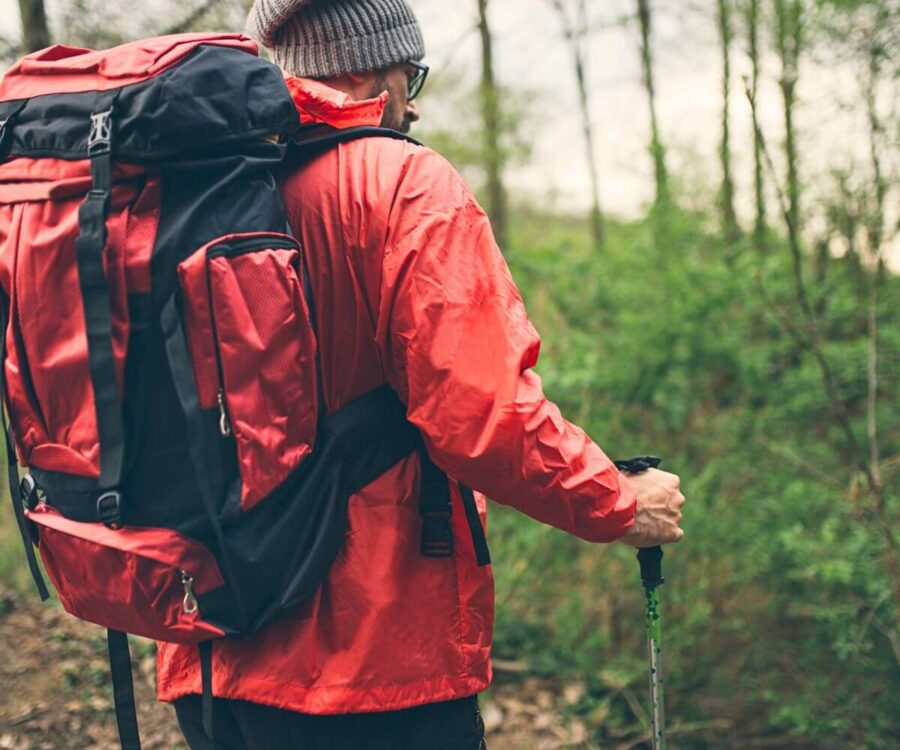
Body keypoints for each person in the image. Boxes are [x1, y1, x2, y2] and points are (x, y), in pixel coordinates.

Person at [161, 1, 686, 747]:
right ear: (377, 71)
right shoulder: (402, 182)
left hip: (210, 648)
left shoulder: (192, 189)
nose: (415, 100)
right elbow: (481, 414)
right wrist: (619, 503)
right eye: (414, 76)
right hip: (373, 664)